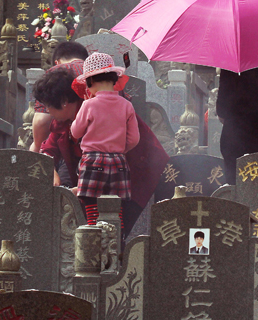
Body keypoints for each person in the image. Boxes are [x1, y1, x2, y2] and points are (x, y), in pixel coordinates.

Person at [32, 60, 169, 237]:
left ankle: (112, 248)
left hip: (137, 170)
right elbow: (48, 148)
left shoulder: (96, 108)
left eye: (49, 106)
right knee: (98, 222)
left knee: (113, 222)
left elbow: (123, 144)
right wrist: (52, 172)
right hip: (111, 169)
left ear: (64, 102)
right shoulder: (64, 120)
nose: (48, 112)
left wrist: (84, 187)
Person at [69, 52, 140, 226]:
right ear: (114, 79)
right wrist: (120, 150)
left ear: (91, 81)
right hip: (118, 161)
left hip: (93, 160)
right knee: (116, 206)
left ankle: (94, 233)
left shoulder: (89, 104)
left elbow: (75, 132)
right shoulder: (126, 105)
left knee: (91, 203)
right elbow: (134, 139)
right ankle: (115, 236)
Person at [30, 40, 90, 156]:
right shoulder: (102, 73)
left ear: (57, 62)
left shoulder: (57, 72)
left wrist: (36, 148)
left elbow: (41, 121)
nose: (48, 110)